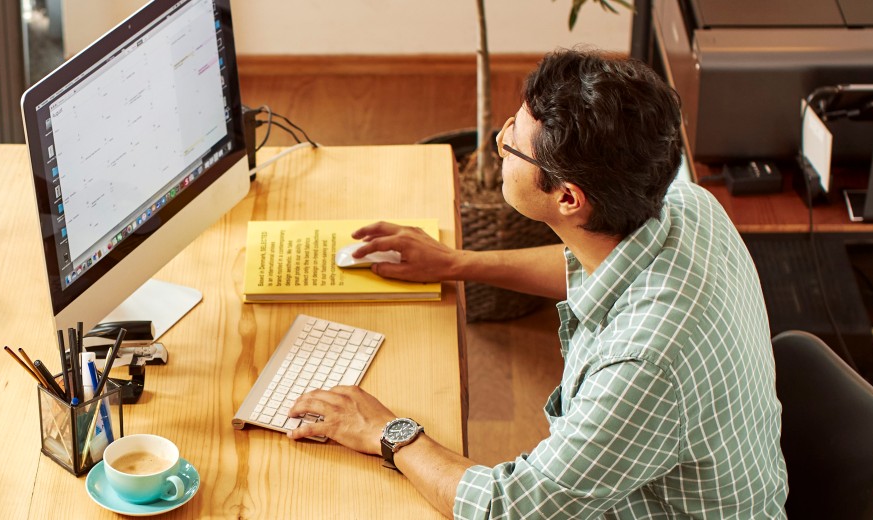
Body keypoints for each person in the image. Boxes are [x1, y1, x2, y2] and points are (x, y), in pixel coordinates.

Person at [286, 48, 788, 518]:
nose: (499, 143)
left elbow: (508, 508)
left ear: (568, 198)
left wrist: (385, 432)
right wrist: (456, 263)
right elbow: (586, 265)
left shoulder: (644, 364)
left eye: (514, 144)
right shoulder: (687, 207)